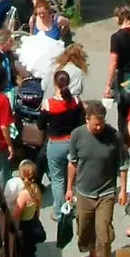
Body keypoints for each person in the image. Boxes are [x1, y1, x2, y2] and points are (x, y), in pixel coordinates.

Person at [66, 102, 124, 257]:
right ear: (87, 120)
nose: (99, 127)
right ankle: (92, 256)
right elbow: (72, 163)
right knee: (84, 228)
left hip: (106, 192)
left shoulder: (113, 135)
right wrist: (69, 188)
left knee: (103, 231)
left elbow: (122, 164)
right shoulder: (77, 135)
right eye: (95, 124)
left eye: (101, 123)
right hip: (83, 191)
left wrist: (122, 189)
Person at [42, 70, 84, 217]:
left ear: (55, 84)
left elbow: (41, 124)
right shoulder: (76, 102)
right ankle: (76, 208)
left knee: (57, 178)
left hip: (56, 144)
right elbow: (81, 123)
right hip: (73, 142)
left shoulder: (48, 104)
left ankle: (59, 212)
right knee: (75, 177)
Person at [5, 158, 45, 257]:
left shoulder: (24, 194)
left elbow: (16, 214)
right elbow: (38, 209)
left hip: (24, 228)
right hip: (33, 224)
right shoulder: (36, 189)